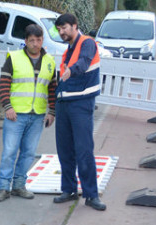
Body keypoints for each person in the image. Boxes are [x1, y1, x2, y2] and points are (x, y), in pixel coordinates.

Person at [0, 24, 57, 202]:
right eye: (31, 40)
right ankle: (3, 188)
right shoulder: (14, 58)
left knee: (28, 153)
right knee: (9, 152)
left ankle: (19, 186)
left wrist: (52, 111)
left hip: (37, 115)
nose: (35, 44)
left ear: (42, 40)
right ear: (25, 41)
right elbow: (3, 84)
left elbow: (52, 88)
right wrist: (8, 107)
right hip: (16, 114)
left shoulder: (50, 62)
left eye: (38, 40)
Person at [52, 13, 106, 211]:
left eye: (64, 27)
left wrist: (71, 70)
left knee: (83, 150)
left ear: (75, 26)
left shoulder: (88, 43)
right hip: (64, 103)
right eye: (59, 29)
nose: (61, 32)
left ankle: (91, 195)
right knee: (65, 150)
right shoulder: (68, 50)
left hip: (81, 104)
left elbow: (83, 63)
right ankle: (69, 190)